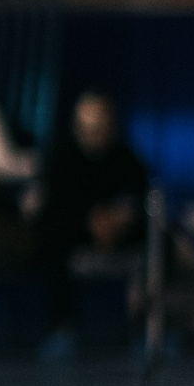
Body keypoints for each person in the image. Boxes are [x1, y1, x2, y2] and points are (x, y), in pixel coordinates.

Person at [32, 91, 152, 362]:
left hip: (117, 231)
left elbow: (143, 195)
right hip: (77, 229)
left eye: (100, 129)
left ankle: (148, 327)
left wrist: (120, 219)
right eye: (86, 129)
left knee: (161, 242)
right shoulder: (62, 156)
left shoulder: (124, 155)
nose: (93, 136)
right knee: (50, 239)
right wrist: (88, 220)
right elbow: (52, 206)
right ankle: (62, 327)